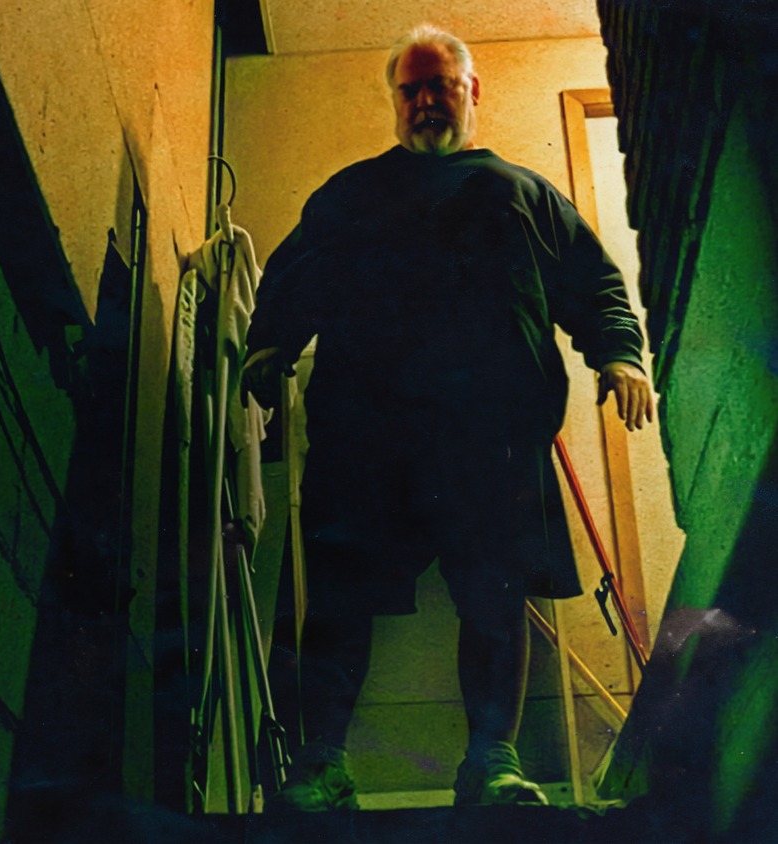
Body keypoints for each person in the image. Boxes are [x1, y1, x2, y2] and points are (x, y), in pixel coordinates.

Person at [241, 24, 654, 810]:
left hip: (492, 441)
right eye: (411, 90)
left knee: (496, 599)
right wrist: (268, 344)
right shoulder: (350, 195)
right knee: (335, 601)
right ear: (395, 102)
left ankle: (492, 761)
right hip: (365, 438)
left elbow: (594, 284)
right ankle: (320, 761)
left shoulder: (526, 193)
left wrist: (621, 354)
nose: (426, 101)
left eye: (440, 86)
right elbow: (292, 278)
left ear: (473, 92)